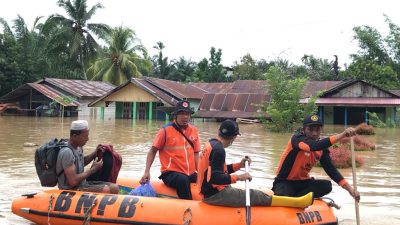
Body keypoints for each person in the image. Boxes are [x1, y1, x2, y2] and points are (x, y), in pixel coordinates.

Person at [198, 119, 313, 208]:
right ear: (234, 137)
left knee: (252, 192)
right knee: (255, 195)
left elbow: (218, 170)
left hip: (209, 191)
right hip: (215, 195)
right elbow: (215, 178)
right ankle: (297, 202)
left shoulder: (211, 144)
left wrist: (239, 165)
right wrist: (239, 177)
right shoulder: (219, 150)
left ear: (219, 131)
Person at [272, 114, 361, 201]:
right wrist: (343, 134)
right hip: (285, 182)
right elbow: (312, 146)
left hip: (303, 183)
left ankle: (298, 199)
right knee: (282, 195)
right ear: (303, 129)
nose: (314, 133)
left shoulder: (322, 149)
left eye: (317, 130)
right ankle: (292, 199)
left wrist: (350, 190)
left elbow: (331, 170)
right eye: (310, 129)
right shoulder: (296, 139)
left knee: (327, 186)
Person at [140, 100, 201, 199]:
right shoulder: (165, 130)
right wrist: (147, 171)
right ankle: (188, 207)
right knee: (183, 180)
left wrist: (201, 174)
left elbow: (196, 154)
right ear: (175, 115)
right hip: (170, 173)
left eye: (187, 114)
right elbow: (152, 151)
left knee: (206, 180)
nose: (185, 117)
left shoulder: (193, 130)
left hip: (190, 172)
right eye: (181, 113)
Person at [56, 120, 119, 194]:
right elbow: (73, 181)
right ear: (75, 136)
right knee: (106, 190)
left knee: (115, 187)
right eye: (85, 136)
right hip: (71, 189)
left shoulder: (79, 147)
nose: (87, 139)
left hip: (83, 184)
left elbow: (82, 162)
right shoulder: (67, 152)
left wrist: (95, 152)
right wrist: (93, 169)